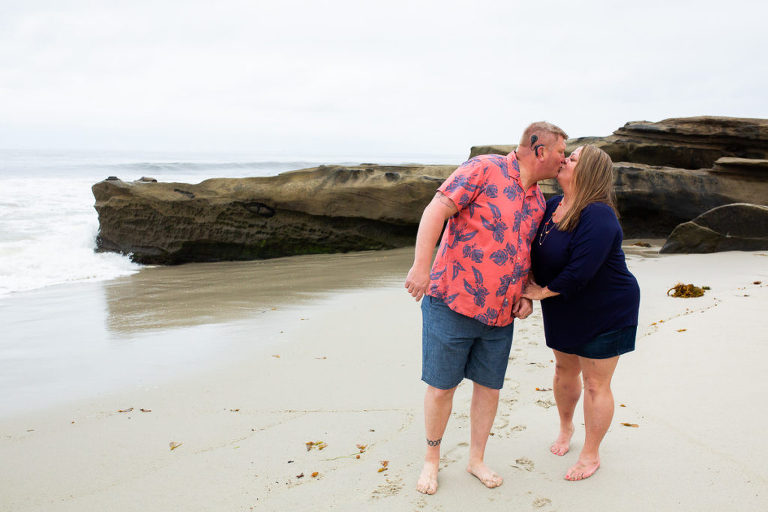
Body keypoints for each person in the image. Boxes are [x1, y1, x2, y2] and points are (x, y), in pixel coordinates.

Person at [405, 122, 568, 494]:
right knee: (442, 387)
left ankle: (476, 459)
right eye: (561, 151)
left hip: (500, 316)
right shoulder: (483, 168)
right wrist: (420, 265)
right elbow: (436, 210)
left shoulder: (538, 201)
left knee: (488, 389)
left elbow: (523, 253)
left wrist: (525, 295)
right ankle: (432, 460)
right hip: (451, 301)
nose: (563, 159)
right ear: (538, 149)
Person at [522, 144, 640, 481]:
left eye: (572, 158)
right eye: (567, 155)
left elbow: (579, 271)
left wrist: (539, 292)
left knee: (595, 384)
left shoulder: (598, 214)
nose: (564, 160)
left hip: (606, 307)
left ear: (587, 172)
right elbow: (533, 249)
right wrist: (528, 281)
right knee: (564, 369)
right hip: (564, 302)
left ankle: (591, 454)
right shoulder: (553, 205)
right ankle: (565, 427)